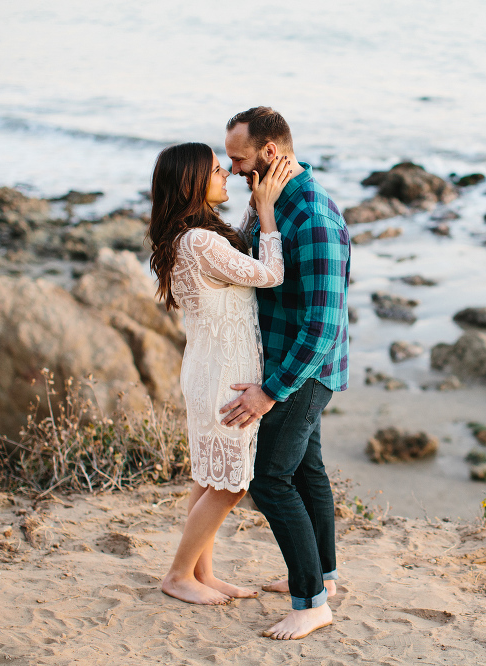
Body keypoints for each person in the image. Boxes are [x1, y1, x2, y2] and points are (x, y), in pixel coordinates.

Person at [219, 107, 351, 640]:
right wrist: (259, 209)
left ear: (270, 154)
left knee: (269, 479)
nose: (230, 170)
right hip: (290, 360)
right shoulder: (273, 203)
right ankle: (326, 577)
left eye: (238, 159)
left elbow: (322, 326)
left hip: (304, 369)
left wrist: (269, 393)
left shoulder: (314, 217)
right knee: (306, 471)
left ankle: (311, 602)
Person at [147, 141, 293, 605]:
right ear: (192, 182)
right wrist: (266, 210)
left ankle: (200, 574)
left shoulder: (186, 238)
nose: (225, 174)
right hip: (224, 376)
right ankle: (177, 574)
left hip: (209, 368)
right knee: (231, 485)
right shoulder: (200, 241)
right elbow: (271, 273)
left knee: (210, 478)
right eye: (215, 170)